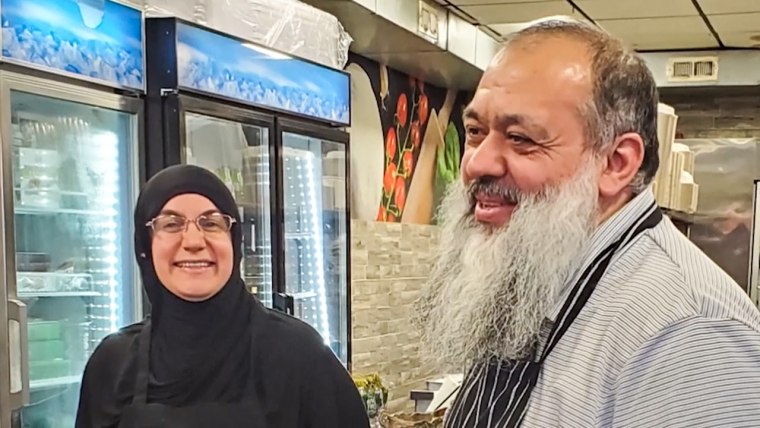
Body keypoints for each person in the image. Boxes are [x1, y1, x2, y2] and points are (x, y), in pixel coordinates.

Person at [414, 17, 760, 428]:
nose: (477, 163)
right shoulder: (537, 271)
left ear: (616, 163)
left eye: (521, 138)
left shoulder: (688, 336)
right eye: (475, 131)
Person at [75, 164, 369, 428]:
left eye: (211, 222)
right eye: (171, 224)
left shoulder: (300, 356)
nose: (192, 241)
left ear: (235, 242)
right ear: (144, 247)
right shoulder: (111, 365)